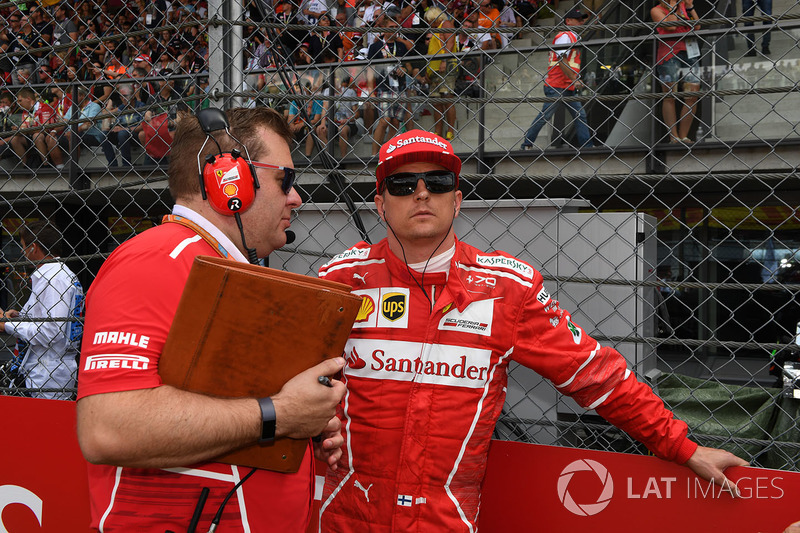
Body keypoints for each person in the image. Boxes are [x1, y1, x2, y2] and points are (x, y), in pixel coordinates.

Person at [317, 129, 748, 532]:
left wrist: (681, 446)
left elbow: (597, 375)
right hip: (342, 515)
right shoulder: (339, 279)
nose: (423, 193)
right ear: (379, 203)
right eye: (403, 184)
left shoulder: (509, 288)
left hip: (444, 519)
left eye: (439, 181)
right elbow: (290, 380)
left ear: (458, 199)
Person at [76, 106, 347, 532]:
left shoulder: (214, 265)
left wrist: (303, 422)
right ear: (230, 181)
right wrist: (280, 414)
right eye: (285, 179)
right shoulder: (158, 258)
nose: (296, 197)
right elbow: (108, 427)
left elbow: (224, 408)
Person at [0, 221, 84, 400]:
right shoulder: (57, 274)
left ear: (34, 248)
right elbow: (47, 320)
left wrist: (7, 326)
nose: (22, 252)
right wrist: (19, 317)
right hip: (47, 369)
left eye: (24, 247)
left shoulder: (53, 279)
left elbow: (51, 332)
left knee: (41, 423)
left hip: (47, 373)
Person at [521, 8, 594, 150]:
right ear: (568, 21)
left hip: (565, 85)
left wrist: (573, 79)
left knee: (579, 115)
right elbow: (561, 59)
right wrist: (575, 78)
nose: (582, 22)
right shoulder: (565, 36)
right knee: (546, 116)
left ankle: (587, 146)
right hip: (557, 85)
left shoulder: (572, 37)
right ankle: (526, 144)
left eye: (582, 19)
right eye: (578, 19)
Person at [651, 0, 701, 144]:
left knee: (692, 95)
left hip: (690, 52)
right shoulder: (657, 10)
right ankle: (673, 136)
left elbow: (697, 26)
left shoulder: (684, 8)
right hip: (669, 54)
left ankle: (684, 135)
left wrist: (690, 6)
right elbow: (672, 26)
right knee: (669, 96)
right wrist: (673, 6)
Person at [425, 7, 458, 141]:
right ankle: (438, 131)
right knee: (436, 101)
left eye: (429, 20)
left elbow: (449, 43)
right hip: (434, 69)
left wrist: (444, 60)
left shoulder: (446, 24)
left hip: (446, 66)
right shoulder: (436, 29)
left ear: (434, 18)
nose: (428, 23)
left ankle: (450, 131)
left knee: (447, 98)